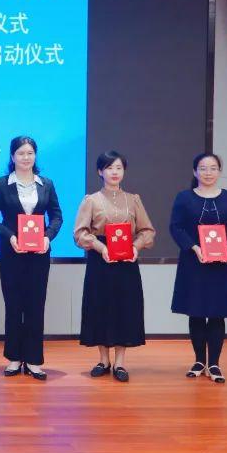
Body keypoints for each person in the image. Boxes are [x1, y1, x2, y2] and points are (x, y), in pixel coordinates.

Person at [0, 135, 63, 381]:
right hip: (12, 253)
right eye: (21, 153)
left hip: (39, 254)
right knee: (13, 305)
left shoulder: (46, 184)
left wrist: (48, 237)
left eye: (30, 153)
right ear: (12, 156)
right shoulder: (1, 184)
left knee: (35, 305)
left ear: (35, 156)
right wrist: (10, 236)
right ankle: (14, 358)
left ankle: (34, 360)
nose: (25, 157)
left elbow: (57, 216)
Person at [73, 151, 155, 382]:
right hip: (101, 260)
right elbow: (80, 233)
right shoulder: (91, 200)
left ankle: (120, 362)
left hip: (127, 261)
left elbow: (147, 230)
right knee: (100, 307)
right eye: (109, 168)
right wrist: (101, 248)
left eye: (119, 167)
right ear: (100, 171)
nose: (114, 172)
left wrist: (136, 247)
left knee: (124, 309)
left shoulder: (133, 199)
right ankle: (103, 360)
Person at [170, 152, 227, 383]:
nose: (208, 173)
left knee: (216, 312)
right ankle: (198, 361)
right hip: (194, 262)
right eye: (203, 168)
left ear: (219, 171)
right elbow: (176, 227)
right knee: (196, 311)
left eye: (213, 168)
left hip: (221, 264)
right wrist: (194, 247)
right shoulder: (184, 197)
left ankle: (214, 364)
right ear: (195, 172)